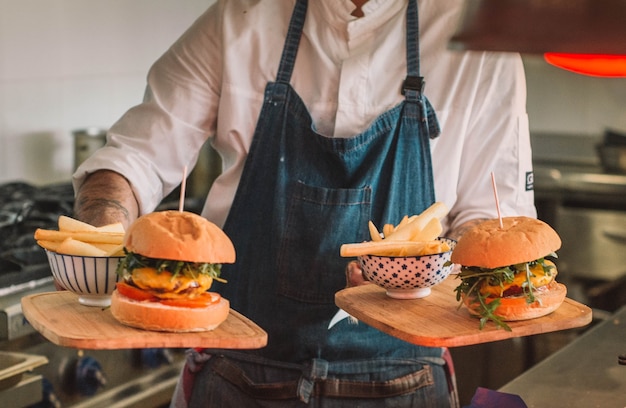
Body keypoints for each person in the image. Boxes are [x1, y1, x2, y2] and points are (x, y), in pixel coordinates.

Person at [72, 0, 536, 406]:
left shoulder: (480, 40)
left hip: (406, 380)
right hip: (235, 373)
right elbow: (133, 160)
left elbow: (494, 225)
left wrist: (418, 270)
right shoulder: (238, 20)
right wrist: (103, 235)